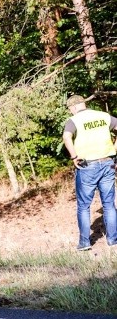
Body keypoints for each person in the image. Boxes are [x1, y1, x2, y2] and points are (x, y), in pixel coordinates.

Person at [62, 94, 117, 251]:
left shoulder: (74, 121)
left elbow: (67, 137)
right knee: (109, 204)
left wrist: (74, 156)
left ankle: (85, 243)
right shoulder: (103, 116)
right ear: (84, 104)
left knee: (84, 206)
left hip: (87, 166)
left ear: (73, 107)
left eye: (70, 109)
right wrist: (114, 149)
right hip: (108, 163)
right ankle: (113, 240)